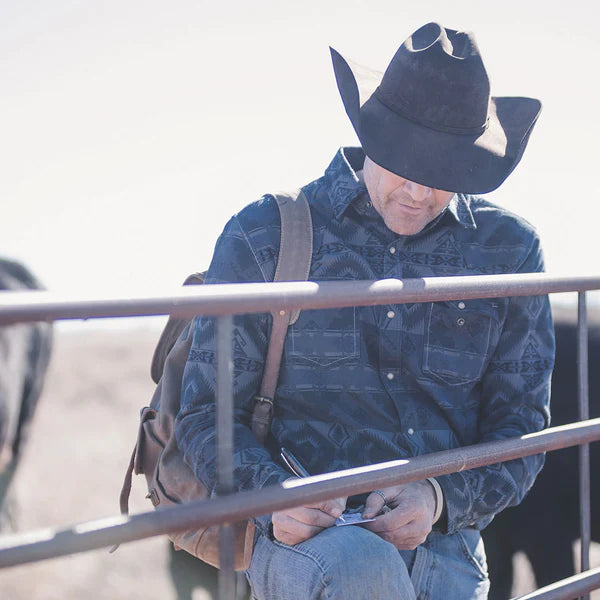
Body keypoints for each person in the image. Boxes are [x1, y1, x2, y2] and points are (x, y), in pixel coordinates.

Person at [175, 22, 555, 600]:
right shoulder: (265, 236)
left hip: (449, 553)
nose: (421, 193)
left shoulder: (509, 252)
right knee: (359, 571)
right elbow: (205, 415)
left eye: (446, 174)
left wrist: (439, 497)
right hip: (308, 549)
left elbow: (523, 430)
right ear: (370, 132)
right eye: (407, 163)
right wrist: (276, 493)